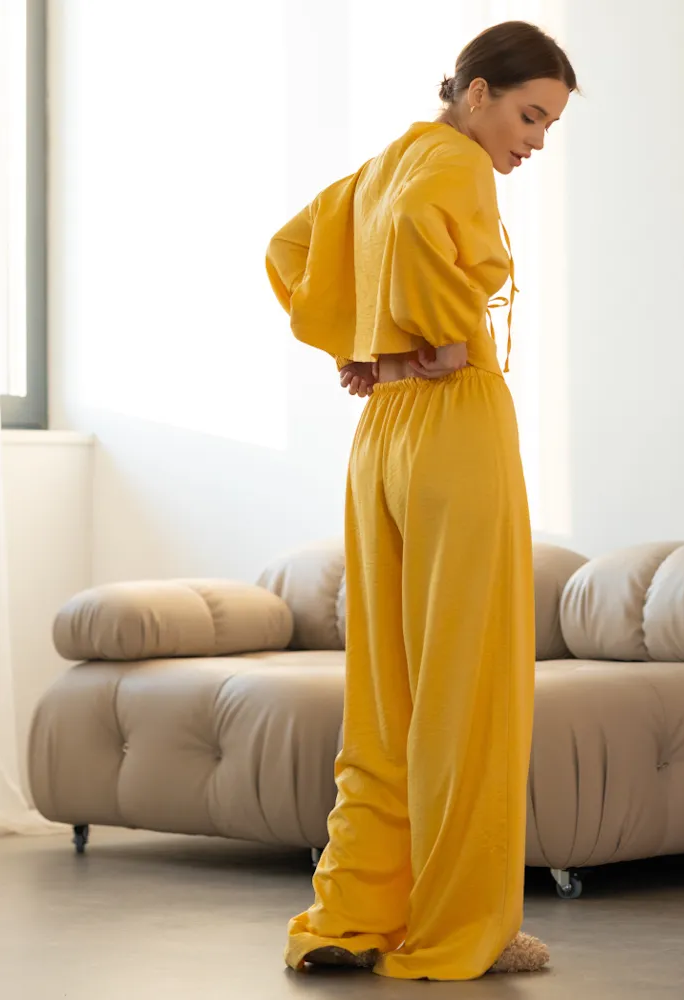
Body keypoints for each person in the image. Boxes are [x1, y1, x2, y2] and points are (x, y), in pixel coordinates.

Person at [265, 20, 577, 982]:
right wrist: (441, 334)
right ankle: (462, 925)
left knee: (385, 693)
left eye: (549, 125)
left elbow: (288, 248)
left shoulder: (383, 166)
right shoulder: (456, 165)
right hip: (454, 426)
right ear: (476, 92)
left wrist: (368, 348)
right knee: (469, 687)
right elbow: (416, 237)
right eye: (530, 115)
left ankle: (351, 915)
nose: (535, 140)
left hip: (383, 436)